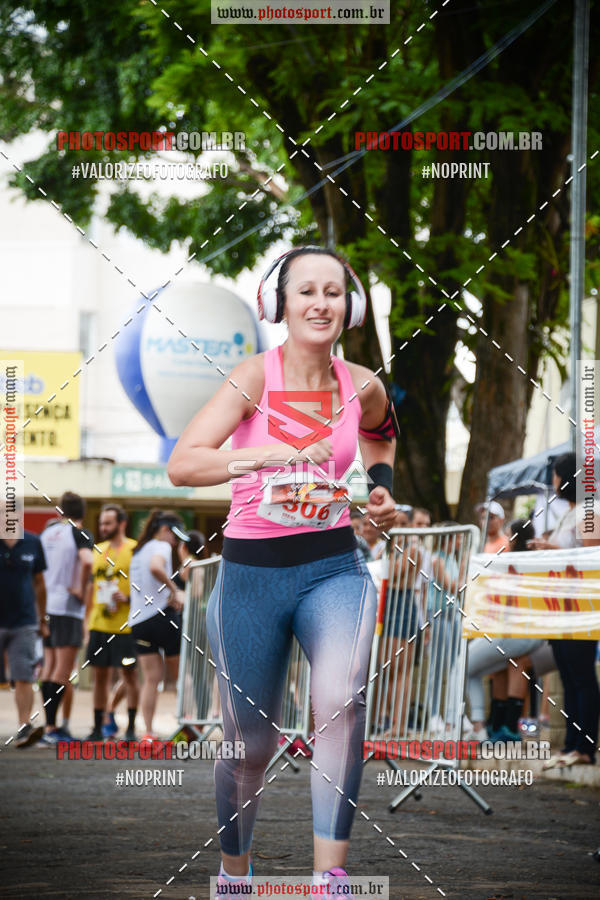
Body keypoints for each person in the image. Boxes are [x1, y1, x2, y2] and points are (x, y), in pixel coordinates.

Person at [168, 245, 397, 895]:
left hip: (333, 567)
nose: (321, 303)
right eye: (307, 292)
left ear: (348, 308)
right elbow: (185, 464)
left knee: (341, 700)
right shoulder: (254, 378)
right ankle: (235, 875)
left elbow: (382, 431)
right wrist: (267, 454)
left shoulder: (362, 384)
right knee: (249, 749)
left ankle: (330, 879)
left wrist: (378, 487)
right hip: (250, 576)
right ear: (280, 304)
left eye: (333, 292)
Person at [528, 452, 600, 767]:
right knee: (569, 676)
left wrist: (554, 549)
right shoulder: (566, 514)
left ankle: (585, 748)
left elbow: (591, 557)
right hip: (559, 609)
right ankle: (571, 744)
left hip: (580, 608)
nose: (553, 482)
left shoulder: (590, 510)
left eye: (557, 475)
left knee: (582, 676)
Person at [128, 509, 188, 742]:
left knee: (151, 680)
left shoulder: (138, 549)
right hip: (162, 617)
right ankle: (188, 728)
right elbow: (156, 567)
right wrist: (175, 590)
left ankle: (149, 733)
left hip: (139, 621)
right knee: (180, 677)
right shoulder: (160, 547)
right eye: (174, 537)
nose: (174, 543)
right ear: (164, 530)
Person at [39, 492, 94, 745]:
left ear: (60, 511)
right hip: (67, 607)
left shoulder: (47, 534)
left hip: (47, 606)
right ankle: (52, 729)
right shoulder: (79, 533)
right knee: (63, 670)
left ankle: (49, 726)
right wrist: (81, 590)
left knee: (48, 668)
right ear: (82, 512)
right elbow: (87, 561)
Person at [83, 504, 138, 742]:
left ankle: (131, 729)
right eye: (102, 523)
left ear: (122, 523)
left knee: (130, 677)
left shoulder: (135, 549)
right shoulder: (98, 550)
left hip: (126, 626)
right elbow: (89, 586)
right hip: (99, 625)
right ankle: (97, 728)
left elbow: (144, 585)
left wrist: (128, 597)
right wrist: (87, 621)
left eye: (108, 523)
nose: (103, 527)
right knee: (100, 678)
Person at [0, 524, 49, 747]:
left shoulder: (32, 541)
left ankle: (24, 727)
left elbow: (40, 583)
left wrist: (42, 619)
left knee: (24, 675)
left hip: (25, 621)